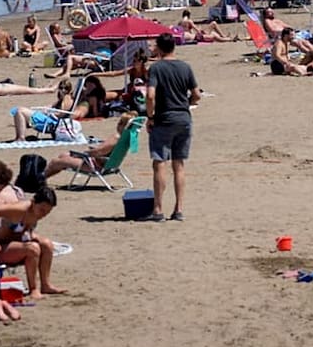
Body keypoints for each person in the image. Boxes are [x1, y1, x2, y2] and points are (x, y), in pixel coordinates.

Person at [144, 32, 200, 222]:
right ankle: (179, 209)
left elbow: (150, 96)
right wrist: (186, 103)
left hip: (164, 118)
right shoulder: (185, 67)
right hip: (183, 118)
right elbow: (197, 95)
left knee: (160, 163)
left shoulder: (156, 68)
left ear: (159, 48)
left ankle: (158, 209)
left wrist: (150, 116)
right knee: (179, 164)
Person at [0, 186, 67, 299]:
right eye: (42, 210)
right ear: (33, 202)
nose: (43, 214)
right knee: (33, 248)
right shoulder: (20, 210)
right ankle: (33, 289)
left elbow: (22, 230)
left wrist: (30, 235)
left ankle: (45, 285)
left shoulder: (35, 213)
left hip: (14, 245)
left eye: (47, 212)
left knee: (47, 244)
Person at [44, 113, 137, 179]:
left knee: (56, 161)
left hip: (95, 166)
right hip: (108, 165)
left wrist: (84, 153)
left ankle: (39, 180)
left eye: (120, 122)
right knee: (64, 155)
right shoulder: (127, 138)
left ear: (124, 125)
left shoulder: (116, 138)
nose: (118, 124)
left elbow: (98, 152)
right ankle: (43, 179)